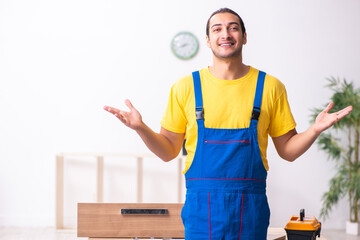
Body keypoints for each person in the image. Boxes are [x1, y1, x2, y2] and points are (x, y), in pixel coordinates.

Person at [104, 8, 352, 240]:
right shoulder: (185, 88)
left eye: (233, 28)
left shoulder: (270, 87)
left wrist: (315, 129)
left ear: (244, 37)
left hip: (251, 209)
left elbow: (287, 151)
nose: (225, 34)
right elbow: (169, 151)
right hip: (200, 209)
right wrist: (141, 128)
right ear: (208, 40)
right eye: (217, 29)